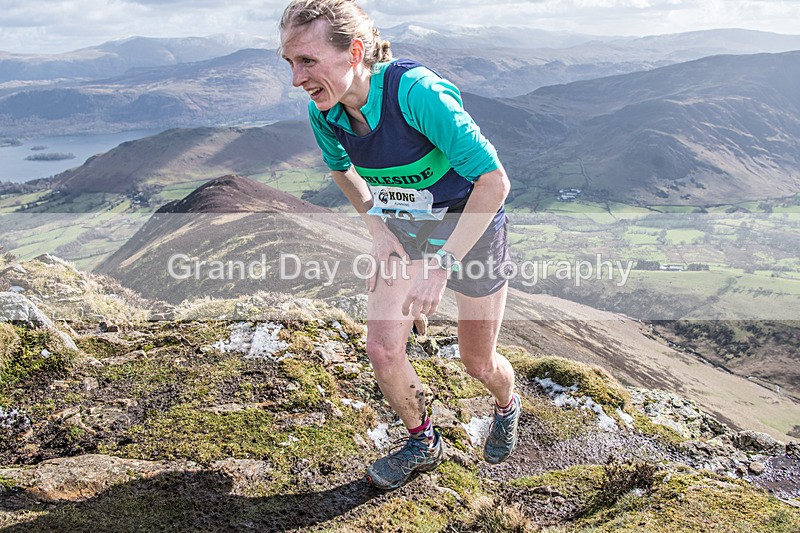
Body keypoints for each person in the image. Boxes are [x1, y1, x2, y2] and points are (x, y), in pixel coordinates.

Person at [280, 0, 521, 490]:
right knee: (382, 349)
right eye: (290, 62)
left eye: (307, 61)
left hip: (470, 226)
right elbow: (341, 170)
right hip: (405, 229)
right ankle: (423, 442)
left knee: (477, 362)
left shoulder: (416, 94)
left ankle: (507, 403)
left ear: (355, 53)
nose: (297, 79)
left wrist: (442, 264)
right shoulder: (325, 112)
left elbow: (494, 182)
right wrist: (378, 229)